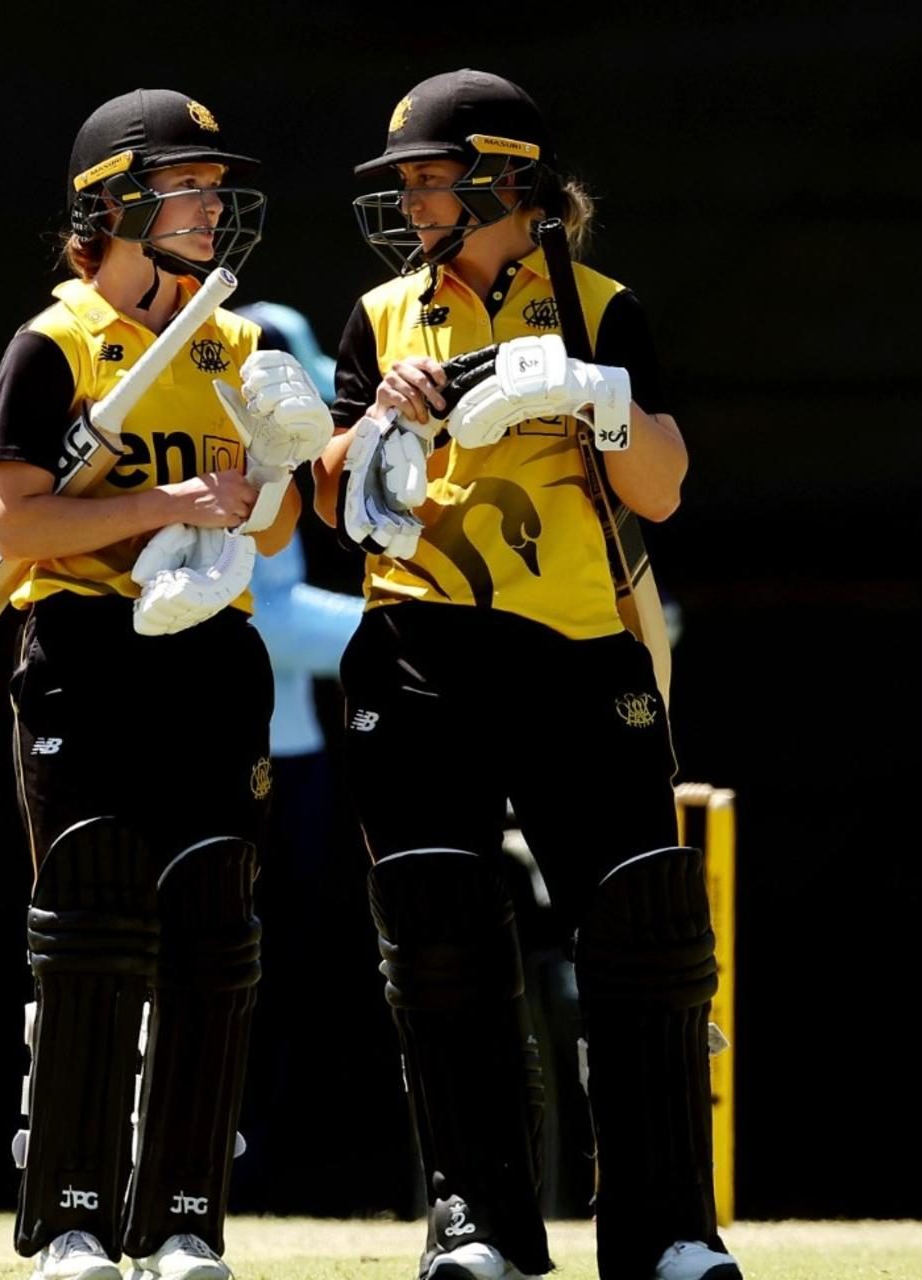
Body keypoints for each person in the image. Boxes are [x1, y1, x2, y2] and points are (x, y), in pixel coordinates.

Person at [313, 69, 740, 1280]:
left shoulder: (603, 306)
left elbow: (661, 487)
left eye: (430, 177)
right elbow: (341, 511)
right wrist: (376, 427)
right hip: (419, 654)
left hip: (577, 652)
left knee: (642, 935)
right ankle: (479, 1224)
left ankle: (668, 1229)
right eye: (403, 181)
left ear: (507, 180)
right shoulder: (381, 316)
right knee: (439, 936)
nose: (410, 200)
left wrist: (594, 396)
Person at [0, 88, 332, 1280]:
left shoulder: (239, 342)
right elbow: (18, 526)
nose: (211, 205)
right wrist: (159, 509)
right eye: (187, 185)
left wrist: (278, 479)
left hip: (211, 658)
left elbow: (275, 545)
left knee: (213, 933)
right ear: (117, 202)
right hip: (85, 650)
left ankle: (183, 1218)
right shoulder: (57, 343)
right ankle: (72, 1216)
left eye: (214, 186)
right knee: (87, 926)